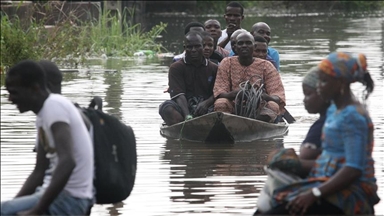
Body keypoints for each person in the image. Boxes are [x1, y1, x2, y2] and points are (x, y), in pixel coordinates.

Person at [258, 52, 380, 215]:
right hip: (325, 182)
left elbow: (353, 168)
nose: (320, 86)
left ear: (341, 83)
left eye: (324, 81)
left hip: (350, 192)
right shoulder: (337, 112)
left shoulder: (352, 116)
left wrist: (313, 194)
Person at [1, 60, 94, 215]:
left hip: (70, 200)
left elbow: (68, 161)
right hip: (58, 196)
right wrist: (13, 204)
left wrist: (37, 211)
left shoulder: (54, 105)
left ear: (35, 88)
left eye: (14, 92)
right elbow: (39, 172)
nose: (10, 99)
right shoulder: (42, 116)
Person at [213, 32, 286, 123]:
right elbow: (219, 92)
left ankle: (255, 124)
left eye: (248, 43)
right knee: (221, 103)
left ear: (254, 47)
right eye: (240, 43)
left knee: (273, 106)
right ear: (235, 47)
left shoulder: (266, 66)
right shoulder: (227, 63)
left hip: (259, 107)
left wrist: (262, 96)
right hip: (234, 105)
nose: (244, 46)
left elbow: (278, 96)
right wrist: (236, 94)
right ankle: (230, 125)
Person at [159, 31, 218, 126]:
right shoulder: (176, 67)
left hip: (205, 106)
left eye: (197, 46)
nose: (193, 50)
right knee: (166, 108)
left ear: (203, 47)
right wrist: (187, 116)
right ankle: (183, 127)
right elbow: (179, 95)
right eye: (189, 47)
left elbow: (218, 92)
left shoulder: (214, 68)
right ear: (184, 48)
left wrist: (206, 104)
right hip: (183, 106)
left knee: (221, 106)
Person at [299, 66, 330, 160]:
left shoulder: (324, 125)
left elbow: (305, 155)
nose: (304, 100)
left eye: (308, 94)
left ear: (322, 93)